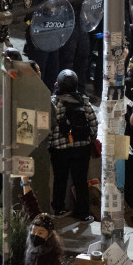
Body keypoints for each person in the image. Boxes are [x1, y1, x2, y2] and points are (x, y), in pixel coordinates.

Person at [48, 69, 98, 221]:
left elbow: (49, 126)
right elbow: (94, 123)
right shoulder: (83, 100)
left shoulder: (54, 102)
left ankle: (58, 208)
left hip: (60, 149)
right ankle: (83, 212)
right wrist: (89, 137)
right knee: (81, 180)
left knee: (60, 178)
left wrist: (50, 144)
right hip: (81, 147)